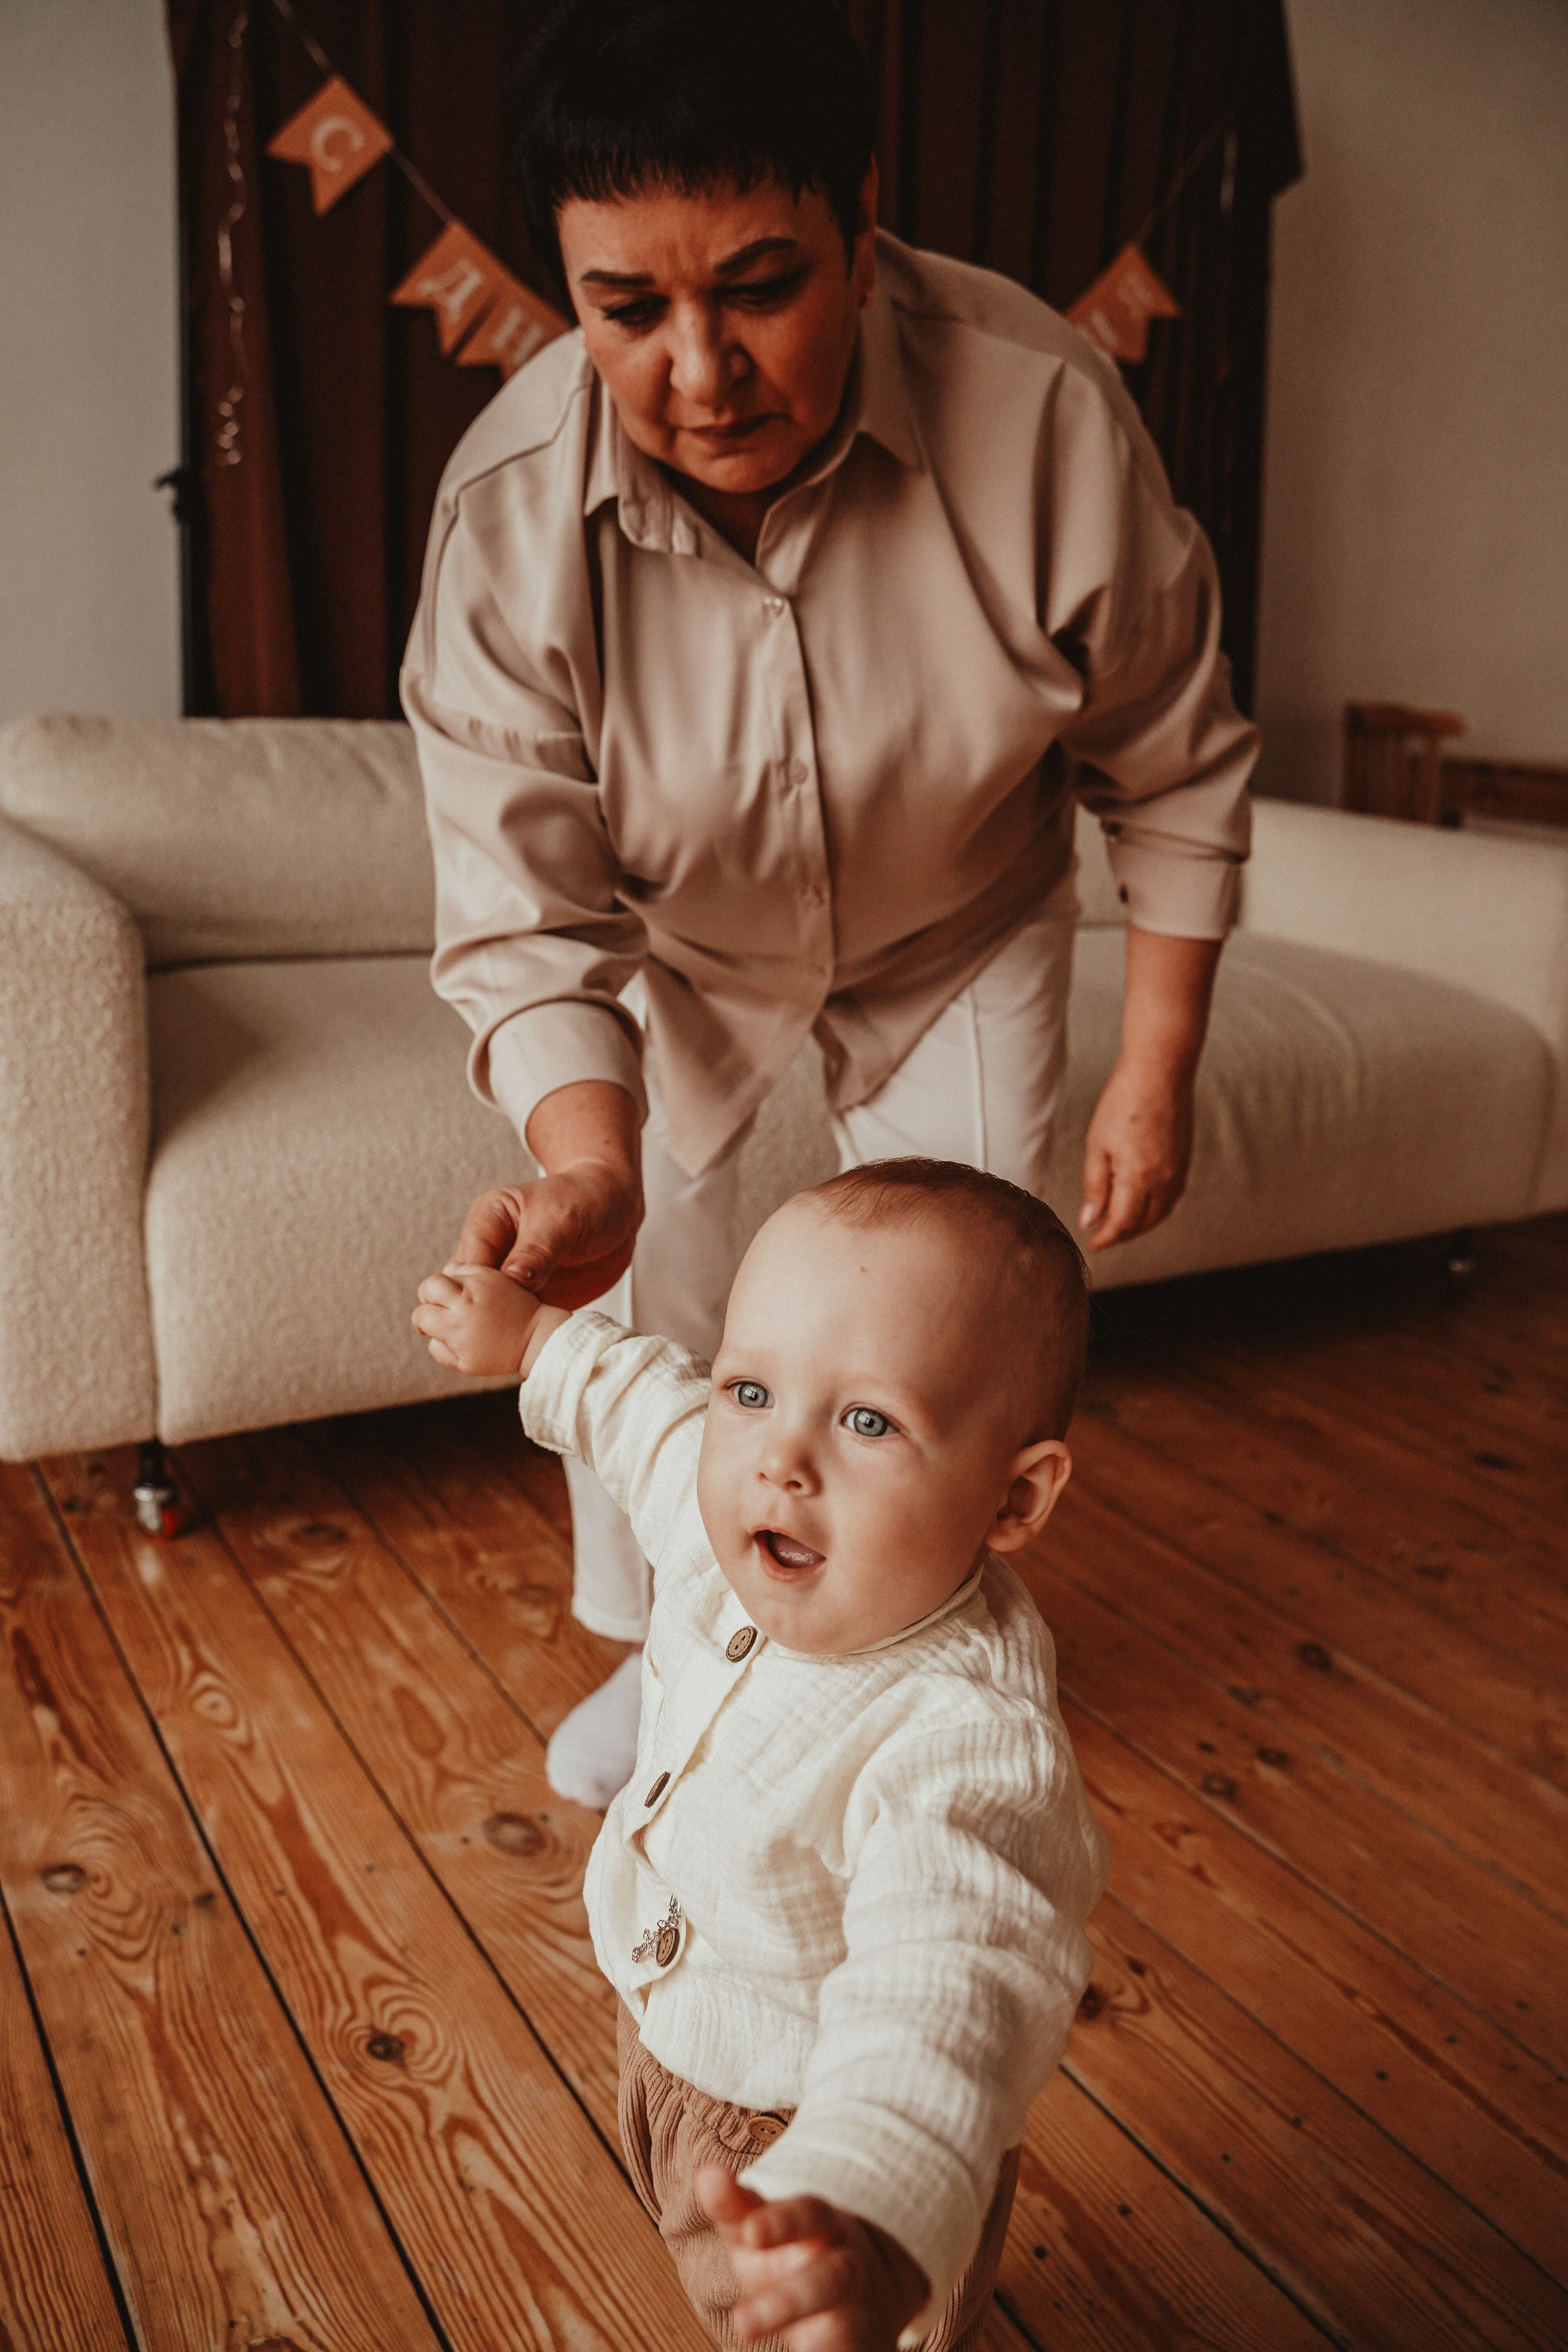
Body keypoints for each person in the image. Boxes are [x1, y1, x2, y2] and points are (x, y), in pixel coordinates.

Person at [402, 0, 1258, 1807]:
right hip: (679, 952)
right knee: (661, 1292)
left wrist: (1154, 1062)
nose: (701, 372)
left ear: (860, 227)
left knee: (941, 1343)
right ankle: (674, 1654)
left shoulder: (1040, 408)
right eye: (627, 311)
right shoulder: (504, 511)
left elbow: (1172, 759)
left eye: (761, 289)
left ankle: (908, 1683)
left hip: (965, 923)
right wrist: (592, 1163)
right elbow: (526, 911)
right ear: (567, 288)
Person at [412, 1157, 1107, 2351]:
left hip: (821, 2154)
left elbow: (947, 1993)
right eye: (751, 1390)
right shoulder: (729, 1501)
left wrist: (869, 2214)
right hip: (674, 2036)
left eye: (868, 1421)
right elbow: (650, 1411)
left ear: (1014, 1499)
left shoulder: (963, 1742)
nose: (780, 1459)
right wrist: (535, 1340)